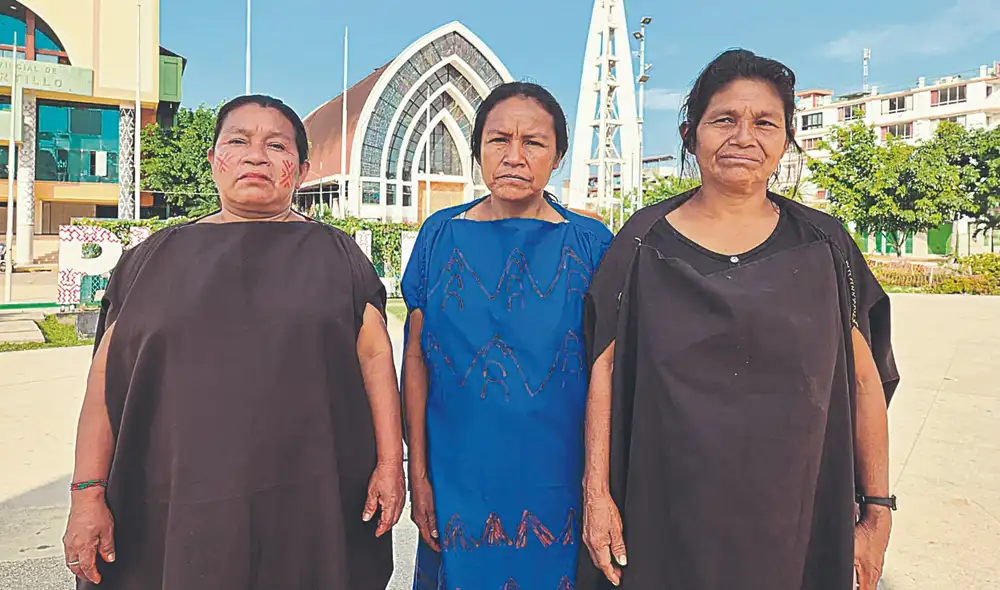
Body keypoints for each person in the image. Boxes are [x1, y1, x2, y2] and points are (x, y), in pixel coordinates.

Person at [578, 50, 900, 590]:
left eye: (764, 122)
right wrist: (597, 496)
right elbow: (603, 372)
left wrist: (877, 511)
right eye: (725, 119)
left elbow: (865, 381)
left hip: (796, 520)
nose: (743, 137)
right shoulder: (641, 242)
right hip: (664, 518)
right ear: (691, 134)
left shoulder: (824, 245)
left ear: (786, 140)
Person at [61, 94, 405, 590]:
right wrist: (87, 493)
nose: (256, 156)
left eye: (277, 145)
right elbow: (104, 381)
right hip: (169, 502)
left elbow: (377, 358)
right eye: (238, 141)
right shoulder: (148, 261)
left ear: (302, 169)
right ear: (213, 160)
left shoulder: (338, 256)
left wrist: (391, 465)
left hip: (310, 501)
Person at [403, 82, 613, 590]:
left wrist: (599, 485)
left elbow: (609, 365)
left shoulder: (592, 242)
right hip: (460, 473)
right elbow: (415, 359)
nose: (514, 156)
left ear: (558, 155)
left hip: (559, 476)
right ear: (477, 151)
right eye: (499, 140)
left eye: (534, 142)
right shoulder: (439, 233)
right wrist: (420, 477)